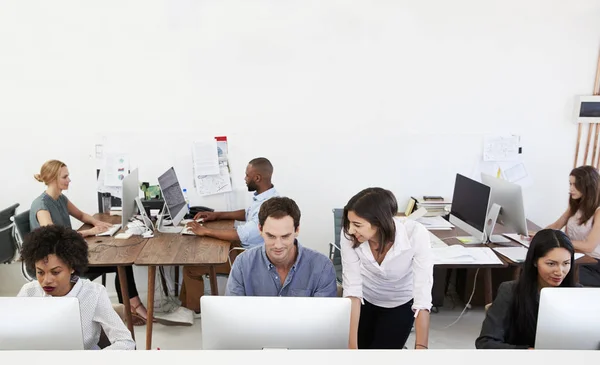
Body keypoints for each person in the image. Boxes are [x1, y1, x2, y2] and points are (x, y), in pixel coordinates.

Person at [29, 159, 149, 325]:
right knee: (120, 262)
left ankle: (131, 308)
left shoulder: (60, 199)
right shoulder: (41, 206)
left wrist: (97, 223)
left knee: (121, 260)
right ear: (52, 178)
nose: (69, 180)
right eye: (65, 176)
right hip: (58, 264)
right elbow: (54, 238)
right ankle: (133, 308)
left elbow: (81, 215)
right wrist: (88, 232)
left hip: (68, 254)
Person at [179, 157, 280, 312]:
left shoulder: (268, 206)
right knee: (196, 257)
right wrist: (217, 215)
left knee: (192, 267)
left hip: (250, 259)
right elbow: (247, 213)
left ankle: (191, 311)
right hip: (245, 249)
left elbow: (240, 234)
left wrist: (205, 231)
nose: (245, 179)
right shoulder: (267, 197)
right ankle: (184, 307)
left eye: (247, 175)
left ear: (257, 178)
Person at [340, 187, 433, 350]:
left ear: (379, 222)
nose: (351, 229)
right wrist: (351, 349)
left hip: (400, 302)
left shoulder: (416, 234)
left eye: (357, 224)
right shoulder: (350, 234)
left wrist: (421, 346)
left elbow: (422, 296)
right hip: (365, 298)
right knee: (359, 348)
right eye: (349, 223)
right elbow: (352, 289)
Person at [17, 225, 136, 350]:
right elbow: (13, 334)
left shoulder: (93, 294)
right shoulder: (29, 292)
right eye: (40, 272)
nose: (46, 281)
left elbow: (125, 341)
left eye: (56, 272)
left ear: (72, 267)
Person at [475, 229, 578, 349]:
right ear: (535, 261)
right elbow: (485, 343)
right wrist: (528, 352)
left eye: (566, 263)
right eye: (551, 264)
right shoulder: (510, 291)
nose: (560, 272)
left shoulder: (578, 295)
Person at [225, 197, 337, 297]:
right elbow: (232, 315)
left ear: (297, 230)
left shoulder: (322, 267)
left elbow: (324, 319)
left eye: (285, 236)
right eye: (271, 236)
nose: (278, 245)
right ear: (260, 229)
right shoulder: (242, 265)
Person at [545, 165, 600, 287]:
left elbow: (589, 246)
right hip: (574, 257)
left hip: (593, 265)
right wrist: (538, 235)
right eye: (570, 184)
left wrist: (561, 240)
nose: (571, 189)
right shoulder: (576, 205)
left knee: (555, 274)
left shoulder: (598, 211)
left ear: (588, 187)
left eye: (575, 185)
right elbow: (556, 225)